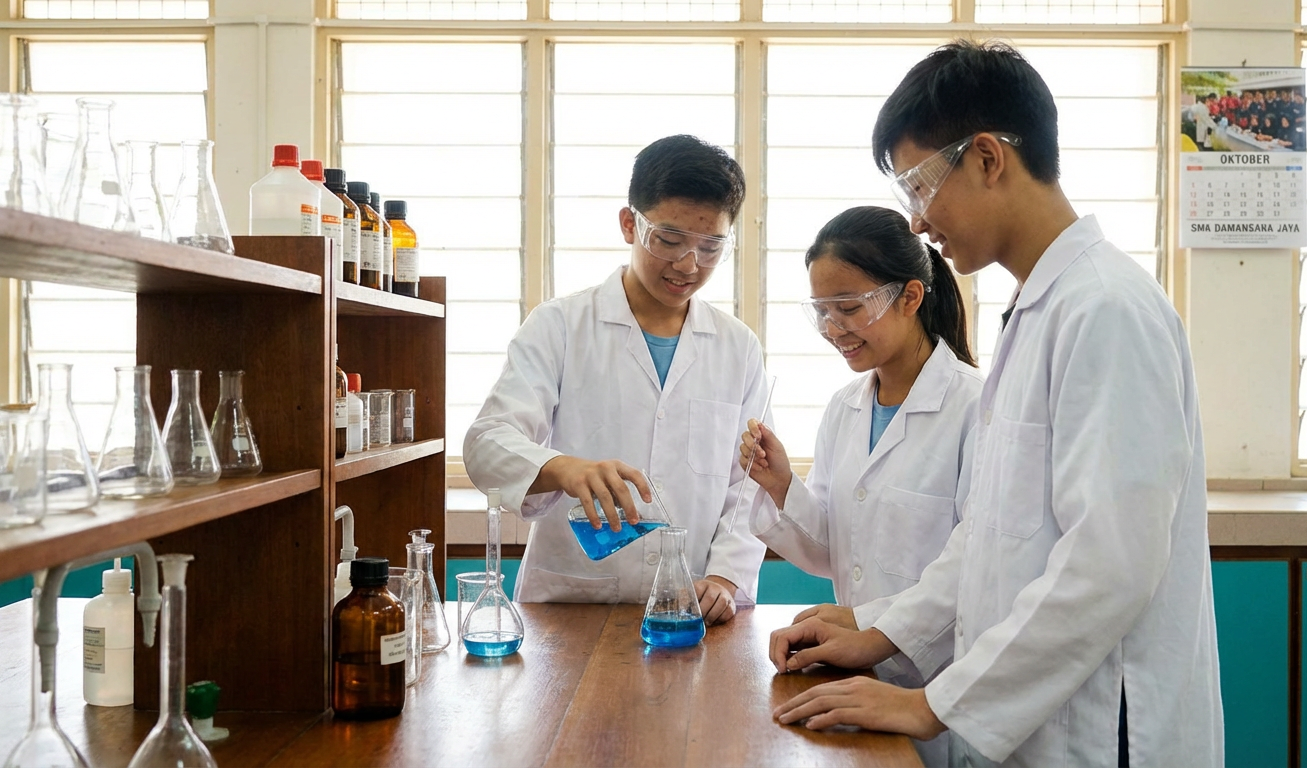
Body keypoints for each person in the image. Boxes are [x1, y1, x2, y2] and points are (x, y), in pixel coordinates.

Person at [766, 40, 1223, 767]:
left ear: (986, 157)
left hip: (1103, 731)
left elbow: (1110, 564)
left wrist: (931, 705)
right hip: (1036, 725)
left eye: (919, 186)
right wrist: (879, 634)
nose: (918, 222)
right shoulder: (1037, 312)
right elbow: (987, 541)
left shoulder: (1105, 309)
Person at [463, 134, 768, 624]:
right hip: (570, 606)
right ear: (630, 224)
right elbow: (487, 442)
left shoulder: (738, 347)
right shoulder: (560, 325)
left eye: (711, 247)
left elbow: (749, 482)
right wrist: (563, 468)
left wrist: (726, 577)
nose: (688, 265)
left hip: (688, 606)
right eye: (669, 239)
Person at [737, 206, 982, 766]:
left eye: (848, 308)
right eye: (822, 312)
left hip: (940, 689)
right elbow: (834, 552)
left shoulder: (974, 406)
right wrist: (782, 485)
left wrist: (868, 627)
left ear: (910, 297)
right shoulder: (845, 408)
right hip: (857, 679)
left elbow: (974, 565)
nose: (833, 329)